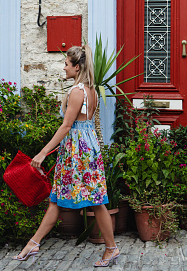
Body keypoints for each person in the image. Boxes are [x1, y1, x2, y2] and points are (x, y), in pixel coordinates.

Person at [12, 45, 120, 267]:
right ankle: (34, 242)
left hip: (76, 151)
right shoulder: (91, 91)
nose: (63, 68)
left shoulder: (76, 91)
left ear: (76, 67)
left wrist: (42, 152)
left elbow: (66, 126)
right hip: (88, 148)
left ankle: (111, 248)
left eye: (66, 64)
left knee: (68, 198)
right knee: (86, 200)